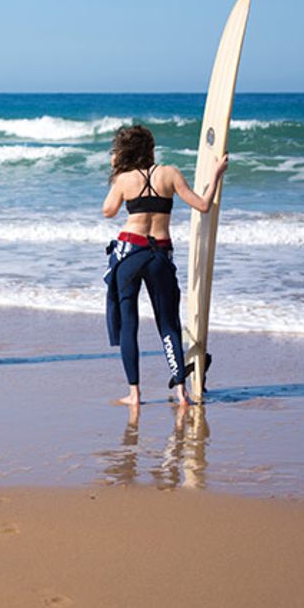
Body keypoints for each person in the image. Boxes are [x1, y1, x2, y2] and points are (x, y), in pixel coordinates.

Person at [102, 125, 227, 406]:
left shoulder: (124, 179)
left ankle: (134, 394)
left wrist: (115, 174)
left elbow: (108, 211)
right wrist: (216, 174)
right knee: (168, 322)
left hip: (129, 252)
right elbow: (203, 205)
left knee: (128, 324)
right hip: (159, 252)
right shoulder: (169, 174)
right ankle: (181, 392)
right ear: (150, 147)